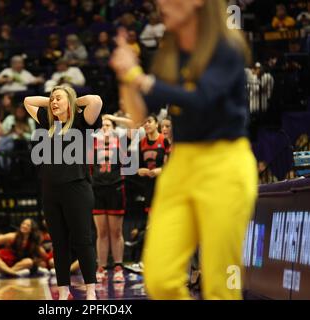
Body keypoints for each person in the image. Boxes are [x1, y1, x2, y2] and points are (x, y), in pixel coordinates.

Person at [110, 0, 258, 300]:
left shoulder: (226, 47)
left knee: (221, 286)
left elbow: (203, 99)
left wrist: (140, 78)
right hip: (181, 166)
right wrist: (125, 76)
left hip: (225, 164)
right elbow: (139, 116)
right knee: (160, 279)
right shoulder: (170, 53)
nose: (160, 3)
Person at [24, 86, 102, 300]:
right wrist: (53, 101)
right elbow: (28, 101)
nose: (53, 102)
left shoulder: (81, 121)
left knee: (83, 240)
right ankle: (64, 290)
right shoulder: (48, 123)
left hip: (77, 189)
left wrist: (73, 101)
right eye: (51, 99)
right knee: (59, 242)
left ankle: (90, 290)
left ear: (71, 102)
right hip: (50, 190)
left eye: (58, 99)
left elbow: (95, 99)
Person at [92, 115, 126, 283]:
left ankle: (118, 266)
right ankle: (102, 267)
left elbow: (135, 124)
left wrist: (113, 117)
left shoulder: (120, 140)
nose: (105, 127)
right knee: (102, 232)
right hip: (97, 189)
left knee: (116, 231)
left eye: (108, 125)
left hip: (116, 187)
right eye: (103, 125)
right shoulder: (93, 142)